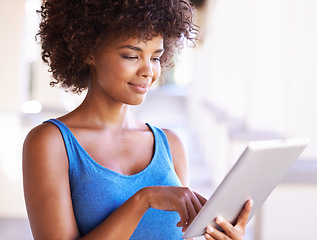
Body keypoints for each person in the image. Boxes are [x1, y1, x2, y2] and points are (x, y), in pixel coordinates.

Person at [23, 0, 253, 239]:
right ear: (88, 51)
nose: (148, 71)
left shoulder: (169, 144)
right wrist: (144, 199)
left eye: (155, 57)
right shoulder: (51, 142)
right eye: (132, 56)